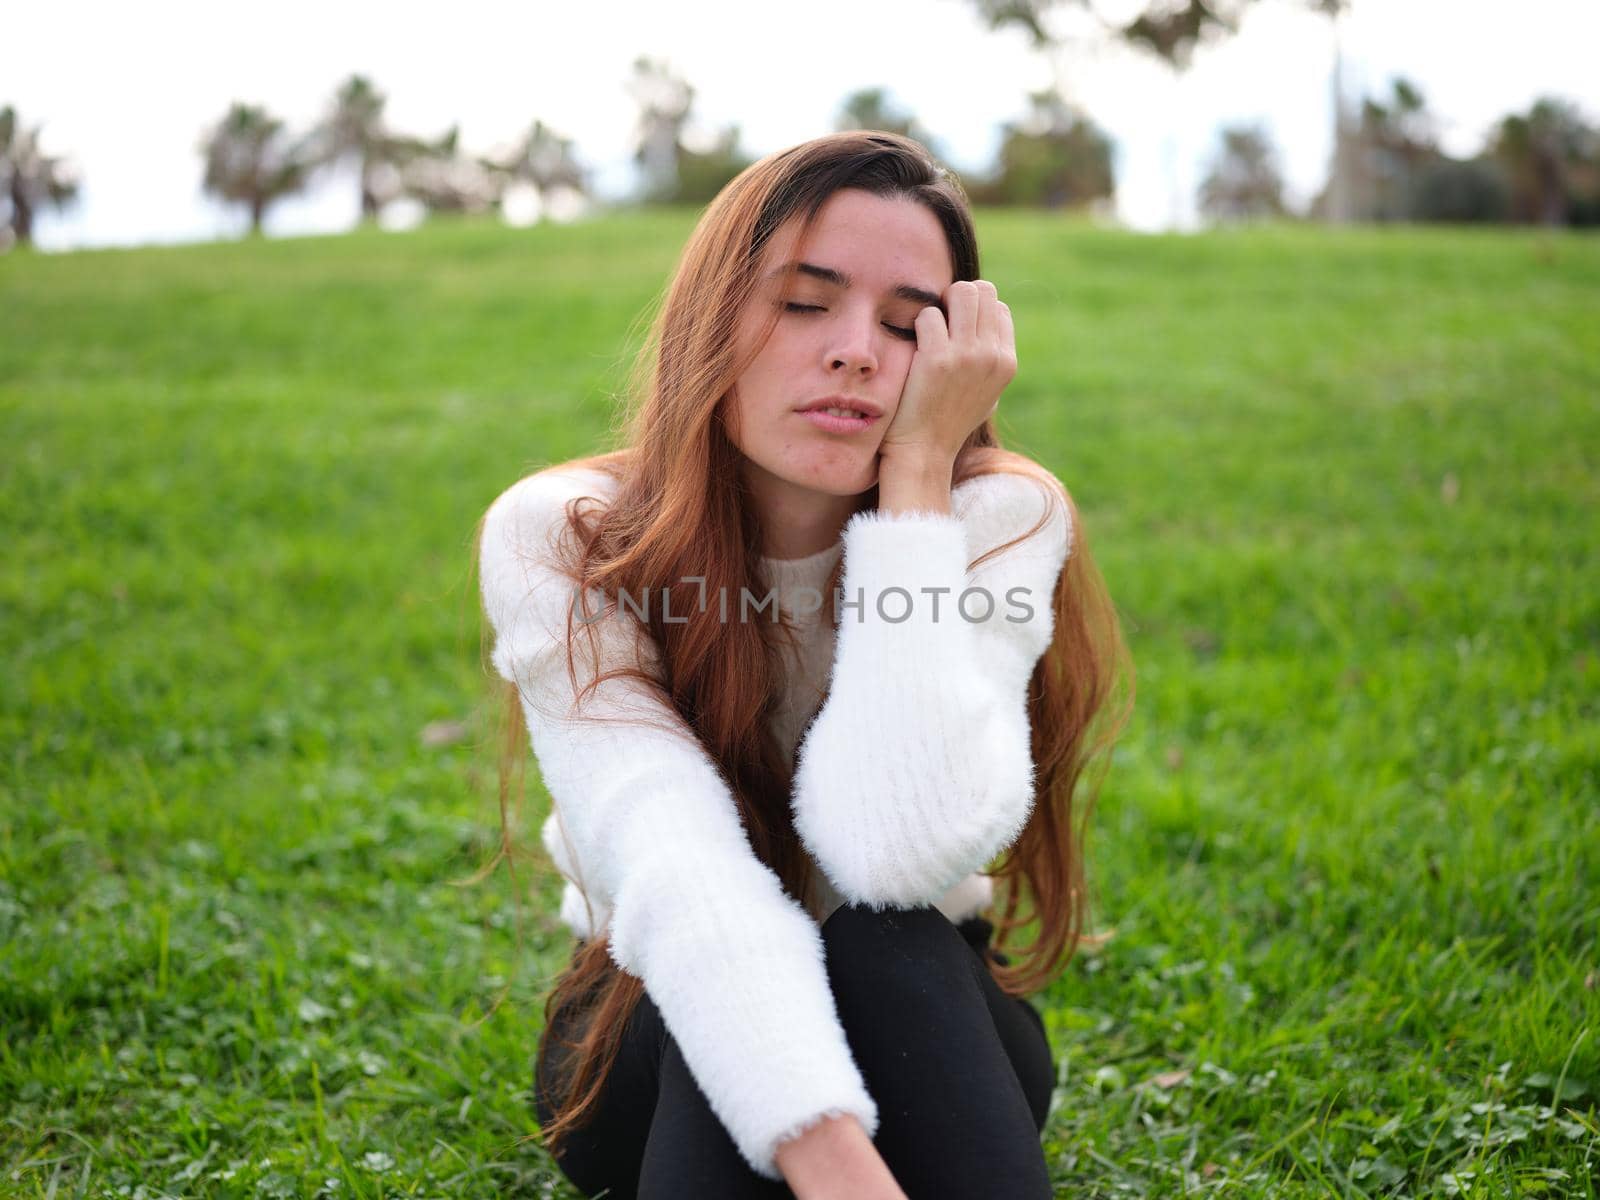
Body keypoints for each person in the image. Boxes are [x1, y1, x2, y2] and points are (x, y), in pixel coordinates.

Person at [475, 130, 1132, 1199]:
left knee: (886, 941)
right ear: (710, 317)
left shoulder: (998, 518)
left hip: (927, 1017)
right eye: (802, 301)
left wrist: (916, 479)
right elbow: (681, 870)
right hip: (646, 1026)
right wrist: (831, 1159)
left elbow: (892, 856)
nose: (857, 352)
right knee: (711, 1000)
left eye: (908, 324)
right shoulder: (565, 534)